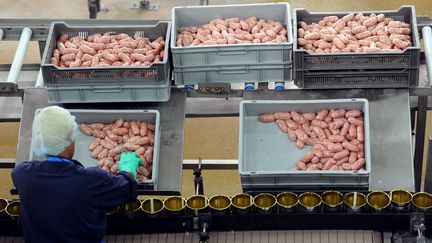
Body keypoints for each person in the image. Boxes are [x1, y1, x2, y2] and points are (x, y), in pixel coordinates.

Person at [12, 106, 141, 243]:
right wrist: (128, 168)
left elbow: (20, 172)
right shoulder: (90, 180)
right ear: (70, 142)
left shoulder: (23, 175)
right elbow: (125, 189)